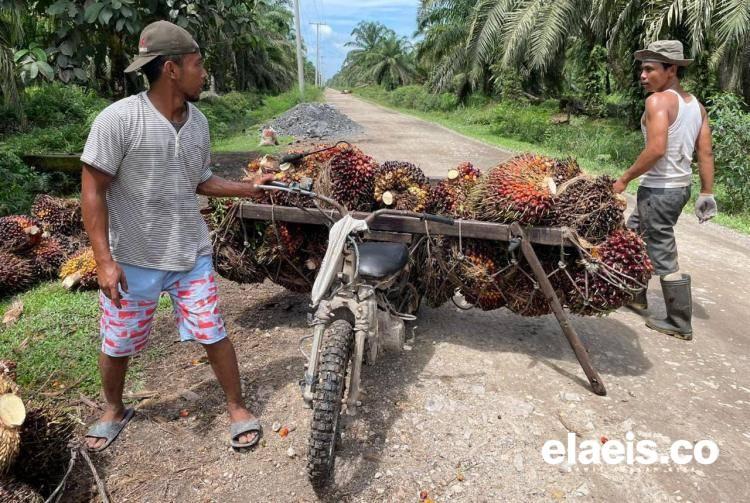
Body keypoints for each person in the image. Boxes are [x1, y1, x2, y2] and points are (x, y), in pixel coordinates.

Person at [80, 20, 274, 451]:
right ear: (171, 69)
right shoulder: (118, 120)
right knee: (118, 341)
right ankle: (113, 408)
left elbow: (198, 178)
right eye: (197, 64)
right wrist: (104, 261)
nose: (203, 73)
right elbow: (92, 189)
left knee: (212, 330)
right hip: (133, 257)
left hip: (190, 253)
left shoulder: (199, 122)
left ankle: (236, 406)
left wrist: (248, 187)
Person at [613, 40, 717, 341]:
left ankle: (679, 320)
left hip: (659, 190)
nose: (643, 76)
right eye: (641, 70)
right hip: (678, 187)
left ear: (671, 69)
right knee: (633, 236)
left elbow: (657, 149)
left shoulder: (658, 101)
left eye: (650, 69)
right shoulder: (696, 106)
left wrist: (625, 178)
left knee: (660, 248)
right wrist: (706, 192)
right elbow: (706, 153)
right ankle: (635, 294)